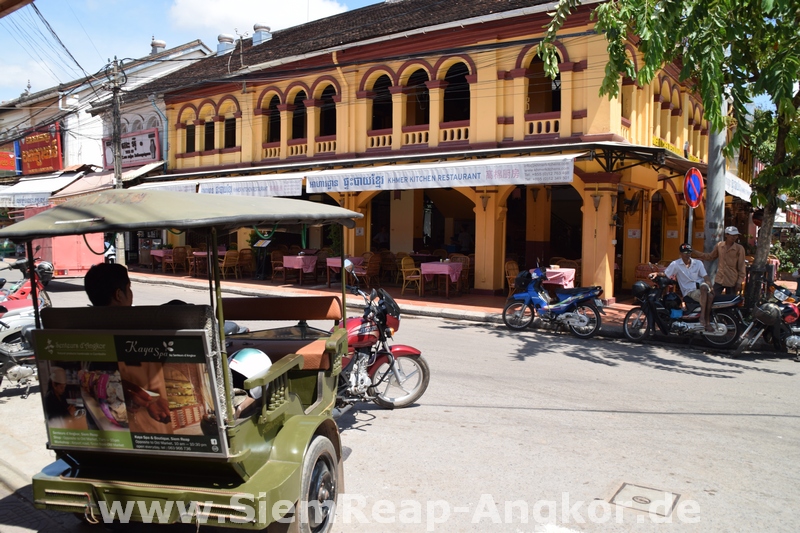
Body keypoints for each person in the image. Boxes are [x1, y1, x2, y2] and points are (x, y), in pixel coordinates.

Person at [650, 243, 714, 332]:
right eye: (685, 252)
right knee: (708, 295)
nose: (688, 254)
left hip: (701, 289)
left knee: (705, 288)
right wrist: (657, 274)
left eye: (689, 252)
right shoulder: (676, 264)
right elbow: (666, 273)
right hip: (689, 292)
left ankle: (703, 318)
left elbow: (705, 276)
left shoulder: (698, 263)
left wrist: (710, 286)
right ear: (680, 253)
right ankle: (706, 321)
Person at [692, 226, 746, 296]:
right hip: (720, 279)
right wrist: (695, 252)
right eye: (732, 235)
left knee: (730, 301)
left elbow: (741, 267)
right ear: (726, 235)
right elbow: (710, 257)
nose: (734, 237)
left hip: (732, 280)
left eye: (736, 235)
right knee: (713, 297)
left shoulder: (739, 249)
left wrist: (739, 282)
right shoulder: (720, 246)